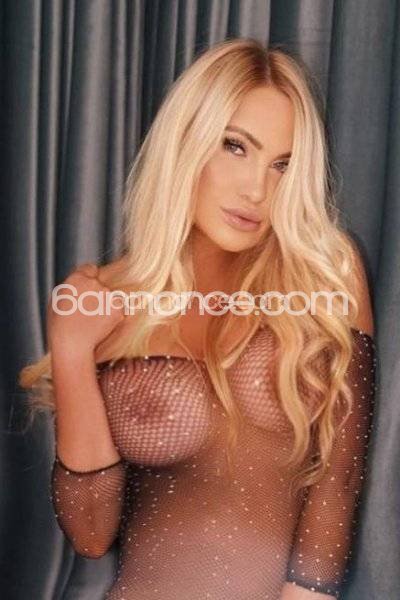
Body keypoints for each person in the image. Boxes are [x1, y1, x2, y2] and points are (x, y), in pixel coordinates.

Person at [19, 38, 377, 600]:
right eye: (235, 147)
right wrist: (70, 350)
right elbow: (90, 535)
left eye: (282, 165)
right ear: (185, 142)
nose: (257, 189)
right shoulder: (104, 300)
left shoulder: (324, 273)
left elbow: (339, 483)